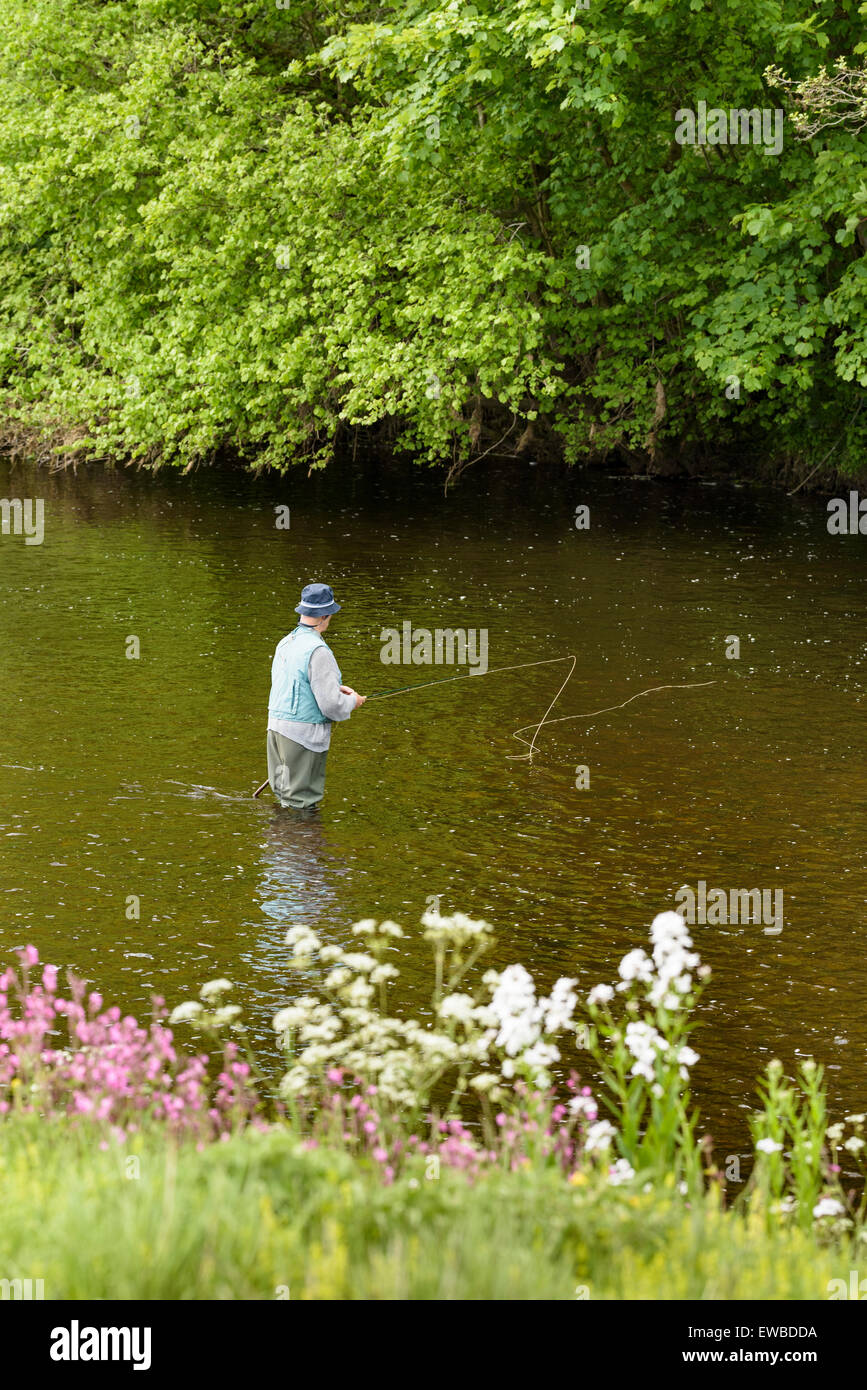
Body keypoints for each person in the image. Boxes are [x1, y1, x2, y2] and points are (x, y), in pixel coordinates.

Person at [266, 583, 366, 810]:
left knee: (285, 796)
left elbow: (294, 684)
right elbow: (331, 706)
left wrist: (336, 689)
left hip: (276, 729)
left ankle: (282, 843)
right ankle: (304, 844)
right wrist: (353, 701)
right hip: (302, 734)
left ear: (302, 611)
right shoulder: (318, 650)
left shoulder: (286, 642)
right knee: (302, 801)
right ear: (326, 615)